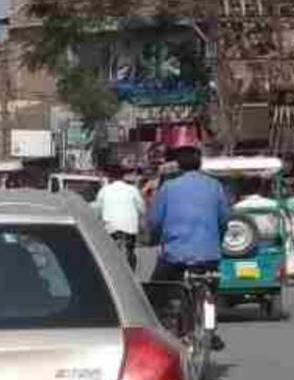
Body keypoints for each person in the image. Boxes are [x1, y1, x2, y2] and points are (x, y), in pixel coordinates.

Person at [147, 146, 232, 351]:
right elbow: (224, 219)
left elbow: (154, 221)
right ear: (200, 163)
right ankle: (211, 327)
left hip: (175, 255)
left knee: (156, 290)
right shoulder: (215, 186)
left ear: (178, 164)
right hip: (209, 255)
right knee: (211, 285)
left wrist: (157, 238)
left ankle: (158, 332)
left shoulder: (168, 188)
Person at [94, 167, 146, 270]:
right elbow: (142, 209)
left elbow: (98, 210)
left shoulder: (104, 190)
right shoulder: (132, 190)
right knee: (130, 251)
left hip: (110, 228)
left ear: (109, 177)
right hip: (129, 228)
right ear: (123, 177)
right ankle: (131, 274)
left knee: (109, 254)